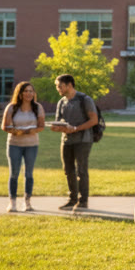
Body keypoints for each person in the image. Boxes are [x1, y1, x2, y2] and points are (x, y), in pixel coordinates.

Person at [52, 74, 98, 211]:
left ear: (69, 85)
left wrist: (76, 129)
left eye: (59, 86)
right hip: (66, 140)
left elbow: (93, 120)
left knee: (81, 170)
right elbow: (58, 121)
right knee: (68, 170)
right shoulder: (61, 102)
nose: (58, 88)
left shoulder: (84, 99)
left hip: (83, 140)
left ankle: (83, 201)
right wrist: (57, 127)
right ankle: (72, 200)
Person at [1, 81, 46, 212]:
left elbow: (41, 126)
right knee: (14, 173)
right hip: (14, 144)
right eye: (26, 91)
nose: (28, 93)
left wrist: (34, 130)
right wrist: (15, 131)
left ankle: (27, 203)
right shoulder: (11, 107)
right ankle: (12, 203)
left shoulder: (38, 107)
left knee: (29, 174)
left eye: (31, 91)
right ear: (20, 93)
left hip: (31, 144)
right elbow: (5, 126)